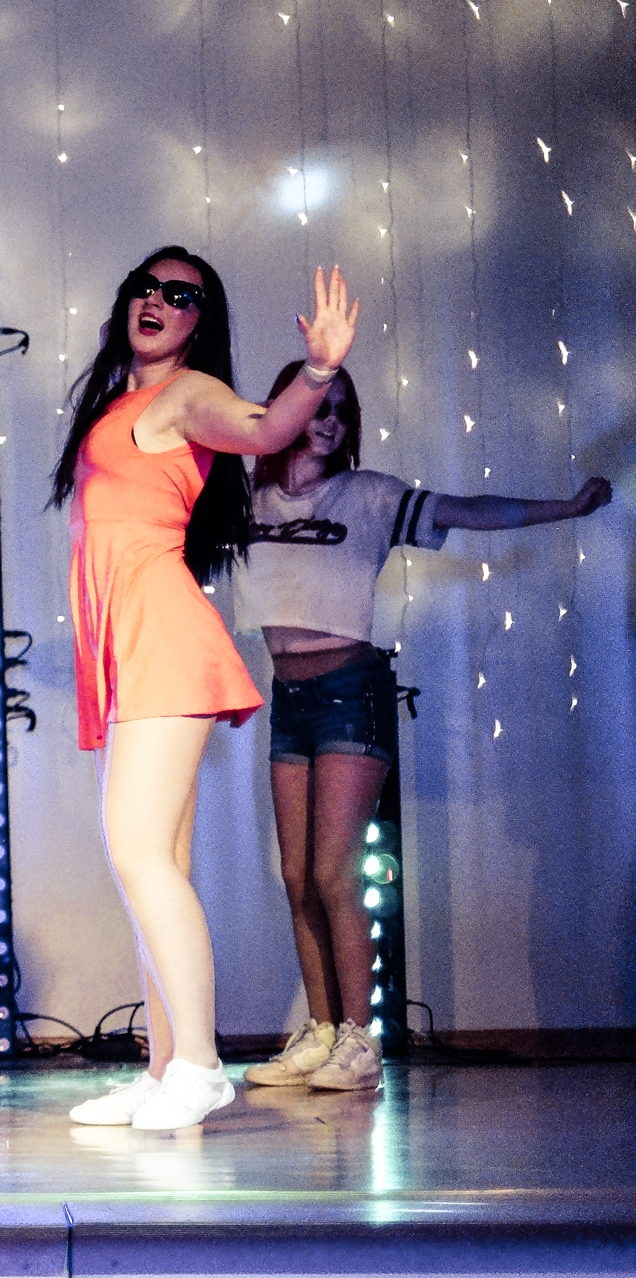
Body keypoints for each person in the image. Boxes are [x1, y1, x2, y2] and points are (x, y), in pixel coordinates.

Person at [236, 364, 611, 1093]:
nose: (330, 420)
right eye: (318, 405)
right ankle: (320, 1034)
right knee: (296, 876)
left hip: (351, 690)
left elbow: (469, 510)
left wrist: (565, 508)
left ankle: (359, 1040)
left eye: (342, 409)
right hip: (287, 694)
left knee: (333, 872)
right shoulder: (248, 502)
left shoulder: (368, 494)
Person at [50, 251, 356, 1131]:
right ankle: (163, 1069)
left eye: (180, 295)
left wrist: (318, 372)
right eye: (145, 287)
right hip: (127, 645)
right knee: (154, 866)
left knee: (139, 853)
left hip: (162, 638)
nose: (157, 301)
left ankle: (199, 1065)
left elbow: (262, 429)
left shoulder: (189, 393)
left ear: (198, 321)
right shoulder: (118, 402)